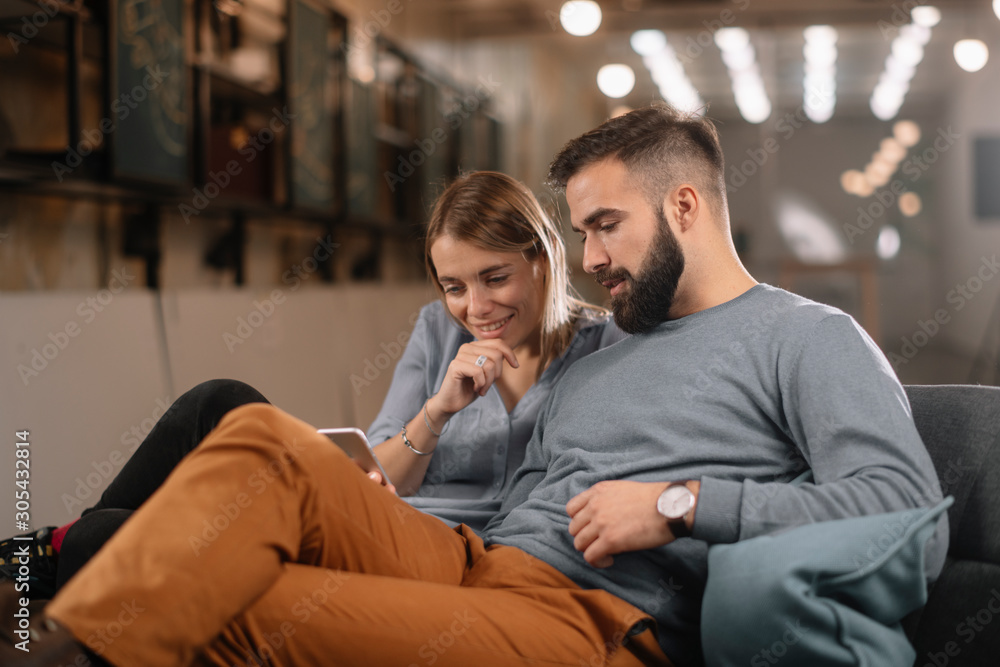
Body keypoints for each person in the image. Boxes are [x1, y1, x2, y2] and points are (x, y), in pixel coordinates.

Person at [1, 103, 946, 667]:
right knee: (253, 438)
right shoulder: (603, 342)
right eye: (578, 232)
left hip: (590, 621)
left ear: (685, 206)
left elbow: (903, 505)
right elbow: (494, 480)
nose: (589, 257)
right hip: (471, 556)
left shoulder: (807, 337)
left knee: (242, 605)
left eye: (606, 226)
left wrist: (683, 501)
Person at [0, 170, 624, 598]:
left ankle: (51, 553)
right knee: (220, 402)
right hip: (382, 516)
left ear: (542, 259)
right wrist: (436, 413)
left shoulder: (603, 349)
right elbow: (377, 473)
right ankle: (55, 552)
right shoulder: (439, 331)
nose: (475, 306)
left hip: (449, 549)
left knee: (144, 537)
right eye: (454, 285)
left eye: (495, 278)